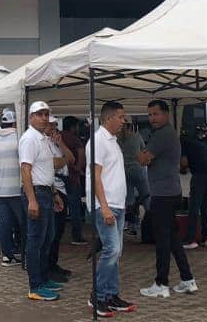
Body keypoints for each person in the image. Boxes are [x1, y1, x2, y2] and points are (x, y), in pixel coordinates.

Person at [138, 100, 197, 299]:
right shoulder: (166, 133)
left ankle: (161, 283)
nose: (152, 118)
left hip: (163, 195)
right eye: (149, 115)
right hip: (170, 192)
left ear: (166, 115)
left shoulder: (163, 134)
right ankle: (188, 279)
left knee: (163, 241)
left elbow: (143, 159)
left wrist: (140, 152)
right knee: (172, 239)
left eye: (156, 114)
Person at [86, 101, 137, 317]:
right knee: (112, 250)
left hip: (117, 205)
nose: (124, 121)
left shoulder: (113, 141)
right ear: (108, 118)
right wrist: (104, 207)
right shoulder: (98, 141)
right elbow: (95, 176)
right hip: (106, 206)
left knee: (116, 252)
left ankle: (111, 295)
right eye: (121, 117)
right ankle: (97, 295)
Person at [19, 101, 63, 302]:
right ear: (31, 117)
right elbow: (25, 169)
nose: (44, 118)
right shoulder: (29, 139)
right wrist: (32, 200)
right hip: (36, 193)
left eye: (46, 114)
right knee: (36, 241)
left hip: (45, 192)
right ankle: (35, 286)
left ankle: (43, 279)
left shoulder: (42, 138)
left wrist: (54, 194)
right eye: (40, 114)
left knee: (47, 238)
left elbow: (45, 169)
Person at [0, 109, 24, 267]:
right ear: (15, 123)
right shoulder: (19, 138)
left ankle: (7, 256)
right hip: (17, 189)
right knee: (24, 223)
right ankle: (26, 255)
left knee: (5, 224)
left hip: (0, 189)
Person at [45, 115, 74, 283]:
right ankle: (48, 266)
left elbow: (71, 159)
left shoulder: (55, 142)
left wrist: (61, 144)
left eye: (55, 125)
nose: (54, 128)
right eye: (51, 125)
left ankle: (53, 263)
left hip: (62, 187)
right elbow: (53, 164)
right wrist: (62, 161)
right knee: (53, 231)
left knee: (59, 230)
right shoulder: (42, 143)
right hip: (52, 187)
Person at [180, 129, 207, 249]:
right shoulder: (200, 144)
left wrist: (182, 169)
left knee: (194, 206)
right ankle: (206, 238)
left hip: (201, 175)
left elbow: (184, 162)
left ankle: (191, 240)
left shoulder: (183, 143)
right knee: (203, 204)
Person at [119, 117, 149, 237]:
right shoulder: (136, 136)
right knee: (146, 194)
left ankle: (132, 227)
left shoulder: (116, 139)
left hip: (124, 171)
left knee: (130, 200)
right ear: (130, 125)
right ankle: (151, 219)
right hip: (138, 169)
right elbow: (144, 150)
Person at [60, 116, 88, 245]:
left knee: (60, 208)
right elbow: (81, 154)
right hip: (73, 177)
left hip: (58, 177)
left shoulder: (58, 136)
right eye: (76, 126)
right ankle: (76, 236)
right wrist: (78, 167)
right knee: (75, 208)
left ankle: (58, 234)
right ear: (72, 127)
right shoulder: (75, 139)